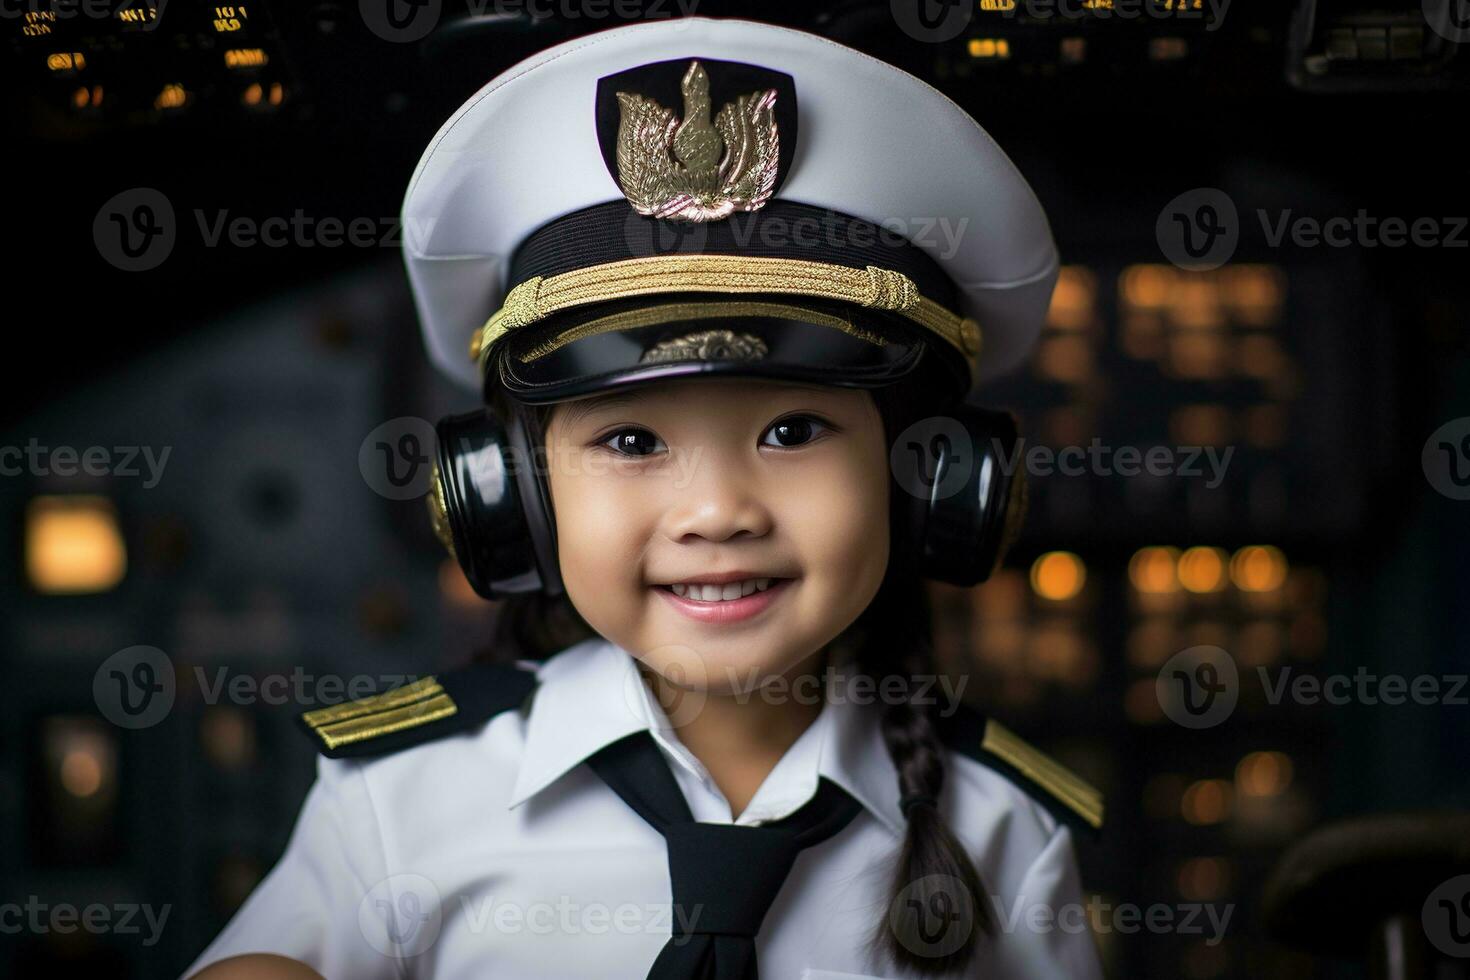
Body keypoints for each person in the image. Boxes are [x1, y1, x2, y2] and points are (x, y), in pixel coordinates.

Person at [184, 15, 1104, 980]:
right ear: (512, 497)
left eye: (793, 432)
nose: (716, 512)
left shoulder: (1004, 831)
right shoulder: (396, 802)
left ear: (926, 483)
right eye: (630, 441)